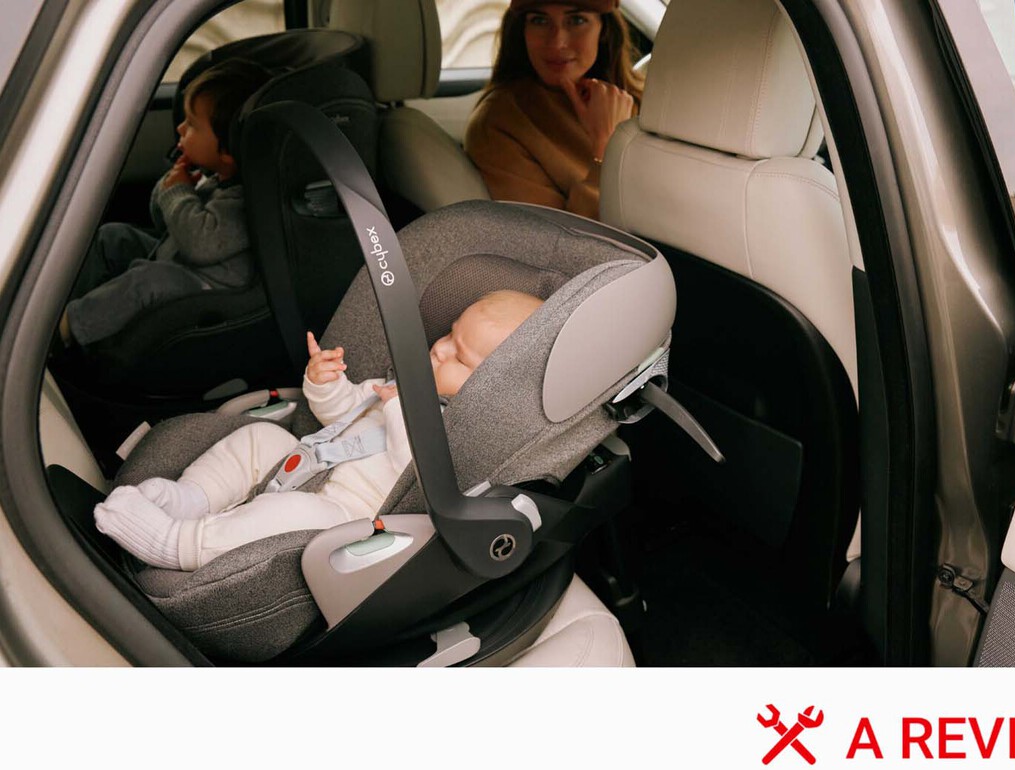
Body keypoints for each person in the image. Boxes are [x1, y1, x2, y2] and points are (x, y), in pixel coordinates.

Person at [94, 290, 544, 571]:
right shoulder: (400, 383)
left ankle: (177, 544)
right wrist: (325, 384)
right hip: (309, 466)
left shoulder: (454, 432)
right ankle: (191, 499)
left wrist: (400, 409)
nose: (439, 350)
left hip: (348, 516)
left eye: (459, 357)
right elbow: (342, 414)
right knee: (261, 439)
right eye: (448, 335)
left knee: (290, 514)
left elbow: (416, 471)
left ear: (492, 391)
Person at [60, 58, 272, 347]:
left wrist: (179, 192)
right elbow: (163, 221)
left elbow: (200, 244)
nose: (181, 129)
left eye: (192, 125)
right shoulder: (214, 178)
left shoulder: (243, 200)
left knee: (147, 281)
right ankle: (72, 307)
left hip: (208, 289)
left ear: (228, 148)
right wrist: (173, 185)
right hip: (180, 262)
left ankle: (68, 331)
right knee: (112, 237)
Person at [463, 0, 643, 220]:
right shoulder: (498, 125)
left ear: (604, 29)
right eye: (539, 21)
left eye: (577, 20)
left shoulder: (652, 101)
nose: (557, 43)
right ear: (521, 31)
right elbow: (557, 239)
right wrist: (605, 147)